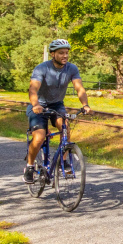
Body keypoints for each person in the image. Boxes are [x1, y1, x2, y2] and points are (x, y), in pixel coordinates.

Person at [25, 39, 92, 182]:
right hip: (39, 106)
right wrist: (36, 104)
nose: (65, 56)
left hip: (56, 105)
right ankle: (30, 166)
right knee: (39, 137)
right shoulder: (42, 68)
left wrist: (85, 104)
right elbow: (33, 89)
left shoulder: (72, 68)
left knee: (65, 127)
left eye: (67, 53)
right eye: (61, 53)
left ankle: (64, 160)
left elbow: (79, 88)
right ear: (53, 54)